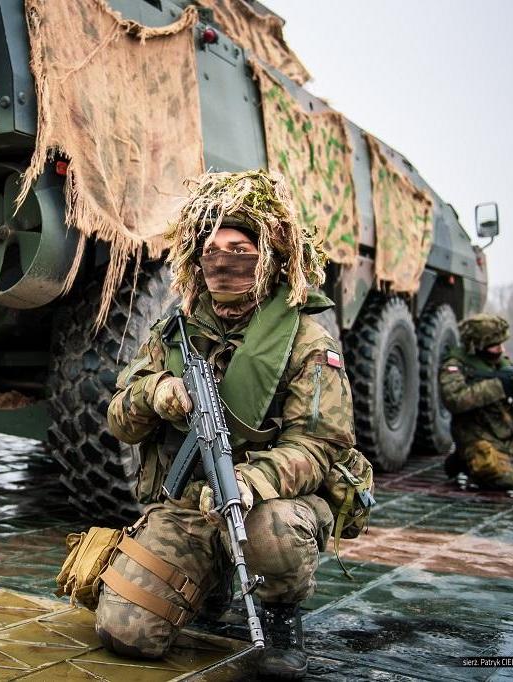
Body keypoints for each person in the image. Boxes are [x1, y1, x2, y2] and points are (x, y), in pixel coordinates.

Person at [96, 170, 358, 680]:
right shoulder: (175, 332)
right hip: (189, 509)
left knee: (272, 535)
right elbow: (119, 421)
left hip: (265, 505)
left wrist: (251, 482)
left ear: (269, 257)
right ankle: (206, 582)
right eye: (211, 250)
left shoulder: (305, 340)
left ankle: (281, 617)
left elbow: (320, 444)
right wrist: (158, 393)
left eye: (238, 247)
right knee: (123, 632)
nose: (223, 261)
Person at [440, 315, 513, 490]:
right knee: (504, 481)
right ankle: (464, 457)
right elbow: (455, 400)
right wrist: (500, 385)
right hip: (475, 430)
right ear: (478, 345)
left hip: (503, 424)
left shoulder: (499, 362)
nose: (501, 349)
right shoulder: (455, 365)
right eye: (495, 346)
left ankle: (484, 454)